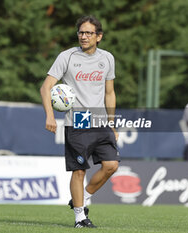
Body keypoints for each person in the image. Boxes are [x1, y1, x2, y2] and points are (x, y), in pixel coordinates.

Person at [40, 15, 119, 228]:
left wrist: (112, 122)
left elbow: (109, 93)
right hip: (79, 119)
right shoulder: (66, 57)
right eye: (81, 33)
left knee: (111, 165)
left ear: (99, 37)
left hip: (100, 119)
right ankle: (79, 218)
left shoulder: (107, 58)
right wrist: (49, 114)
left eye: (88, 33)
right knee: (79, 170)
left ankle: (82, 197)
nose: (83, 37)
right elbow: (46, 87)